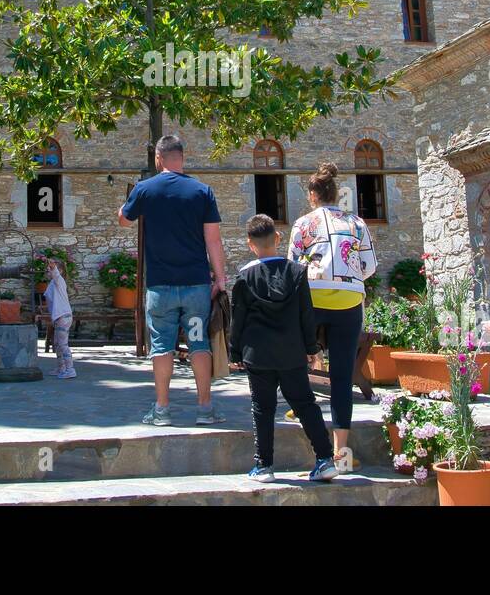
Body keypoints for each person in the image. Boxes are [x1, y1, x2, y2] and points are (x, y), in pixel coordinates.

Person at [119, 134, 228, 426]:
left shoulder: (145, 189)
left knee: (162, 346)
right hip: (195, 286)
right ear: (182, 157)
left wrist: (131, 201)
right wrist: (220, 279)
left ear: (158, 159)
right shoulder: (202, 191)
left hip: (160, 287)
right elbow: (213, 241)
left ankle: (162, 409)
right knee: (198, 343)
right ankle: (205, 408)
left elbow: (124, 219)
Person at [231, 214, 338, 484]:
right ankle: (325, 459)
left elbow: (238, 318)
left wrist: (235, 353)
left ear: (250, 244)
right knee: (304, 404)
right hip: (291, 352)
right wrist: (311, 348)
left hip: (258, 353)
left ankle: (264, 465)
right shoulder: (297, 273)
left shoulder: (244, 277)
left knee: (262, 408)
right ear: (277, 239)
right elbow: (306, 314)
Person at [287, 162, 377, 467]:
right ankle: (342, 454)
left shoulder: (302, 224)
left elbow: (292, 268)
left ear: (313, 195)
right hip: (349, 301)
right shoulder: (357, 223)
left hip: (312, 297)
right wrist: (349, 277)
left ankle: (311, 433)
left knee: (298, 363)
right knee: (341, 377)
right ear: (336, 194)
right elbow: (370, 266)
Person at [44, 258, 76, 379]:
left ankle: (70, 369)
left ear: (60, 270)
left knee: (63, 344)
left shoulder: (59, 281)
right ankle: (61, 368)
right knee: (57, 344)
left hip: (63, 317)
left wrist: (53, 268)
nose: (48, 269)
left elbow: (56, 275)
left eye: (52, 267)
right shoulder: (53, 283)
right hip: (58, 317)